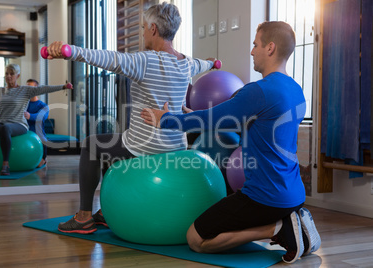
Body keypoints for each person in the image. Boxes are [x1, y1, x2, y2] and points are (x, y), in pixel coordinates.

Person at [141, 21, 321, 264]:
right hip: (294, 194)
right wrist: (189, 114)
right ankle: (290, 221)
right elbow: (248, 124)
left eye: (255, 45)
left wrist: (168, 120)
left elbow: (213, 118)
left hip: (264, 197)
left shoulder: (259, 91)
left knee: (196, 239)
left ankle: (277, 229)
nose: (251, 51)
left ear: (270, 48)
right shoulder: (295, 89)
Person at [45, 2, 219, 234]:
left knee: (91, 144)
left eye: (144, 27)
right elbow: (204, 64)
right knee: (111, 144)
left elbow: (105, 58)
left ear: (154, 29)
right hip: (176, 146)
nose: (143, 31)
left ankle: (84, 216)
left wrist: (70, 51)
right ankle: (107, 212)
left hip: (147, 146)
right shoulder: (187, 64)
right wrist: (212, 63)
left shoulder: (144, 61)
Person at [0, 63, 73, 176]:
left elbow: (44, 88)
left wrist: (63, 86)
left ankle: (5, 165)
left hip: (19, 124)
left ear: (17, 76)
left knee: (5, 128)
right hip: (1, 121)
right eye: (6, 73)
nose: (9, 76)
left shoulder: (25, 90)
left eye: (12, 74)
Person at [24, 79, 49, 168]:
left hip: (38, 136)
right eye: (27, 87)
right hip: (24, 135)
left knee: (37, 165)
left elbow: (42, 116)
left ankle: (43, 158)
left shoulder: (43, 106)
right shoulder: (23, 104)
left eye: (31, 87)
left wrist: (30, 116)